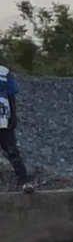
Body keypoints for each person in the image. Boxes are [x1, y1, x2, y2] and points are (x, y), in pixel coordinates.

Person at [0, 63, 30, 191]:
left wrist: (14, 116)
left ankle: (24, 181)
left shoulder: (4, 72)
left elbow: (11, 96)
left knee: (12, 151)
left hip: (3, 121)